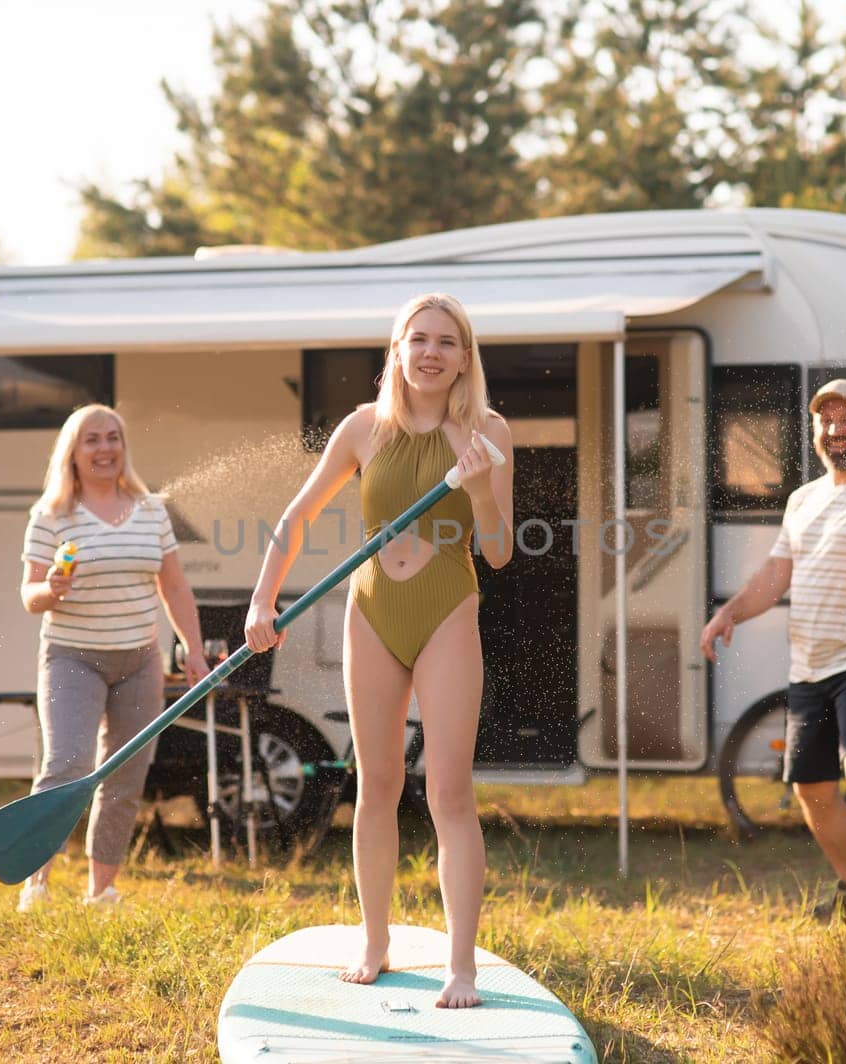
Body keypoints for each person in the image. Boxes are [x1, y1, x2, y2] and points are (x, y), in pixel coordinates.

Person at [244, 293, 513, 1008]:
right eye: (418, 339)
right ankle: (376, 941)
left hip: (447, 613)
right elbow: (297, 516)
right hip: (371, 614)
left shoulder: (486, 432)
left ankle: (461, 967)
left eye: (447, 342)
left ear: (464, 357)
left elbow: (498, 552)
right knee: (377, 786)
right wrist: (261, 601)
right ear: (397, 350)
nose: (431, 352)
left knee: (449, 792)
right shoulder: (365, 428)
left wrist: (483, 489)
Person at [700, 379, 846, 925]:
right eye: (825, 420)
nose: (834, 429)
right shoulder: (802, 499)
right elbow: (780, 572)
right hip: (811, 663)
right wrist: (730, 611)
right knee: (809, 788)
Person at [17, 403, 209, 911]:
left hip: (139, 659)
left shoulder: (150, 510)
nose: (104, 449)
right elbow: (29, 596)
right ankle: (36, 882)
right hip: (72, 656)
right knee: (68, 765)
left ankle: (100, 891)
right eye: (92, 440)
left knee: (126, 774)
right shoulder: (52, 515)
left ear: (124, 446)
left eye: (113, 438)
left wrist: (191, 647)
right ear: (73, 453)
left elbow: (174, 585)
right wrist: (51, 589)